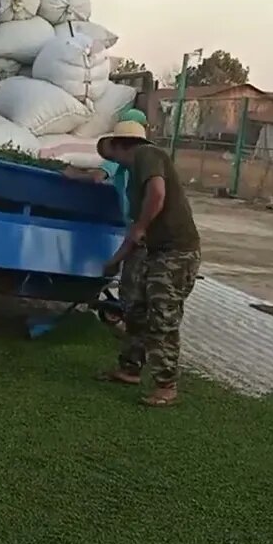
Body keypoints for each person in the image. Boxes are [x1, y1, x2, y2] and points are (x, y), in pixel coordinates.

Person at [96, 120, 201, 407]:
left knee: (162, 317)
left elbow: (157, 193)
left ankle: (166, 386)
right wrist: (114, 262)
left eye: (110, 153)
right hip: (156, 251)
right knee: (136, 309)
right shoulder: (134, 170)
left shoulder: (147, 155)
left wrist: (142, 226)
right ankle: (130, 368)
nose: (111, 161)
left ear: (121, 145)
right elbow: (135, 233)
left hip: (176, 253)